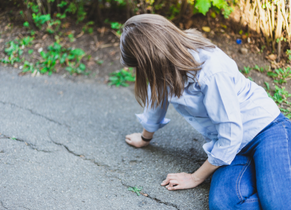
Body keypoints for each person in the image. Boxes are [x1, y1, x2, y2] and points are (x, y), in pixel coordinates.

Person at [120, 14, 291, 210]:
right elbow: (156, 100)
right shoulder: (163, 67)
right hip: (234, 148)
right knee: (225, 205)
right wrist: (145, 137)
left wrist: (195, 177)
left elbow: (230, 133)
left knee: (278, 203)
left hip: (267, 130)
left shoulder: (211, 70)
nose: (138, 73)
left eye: (139, 67)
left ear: (151, 60)